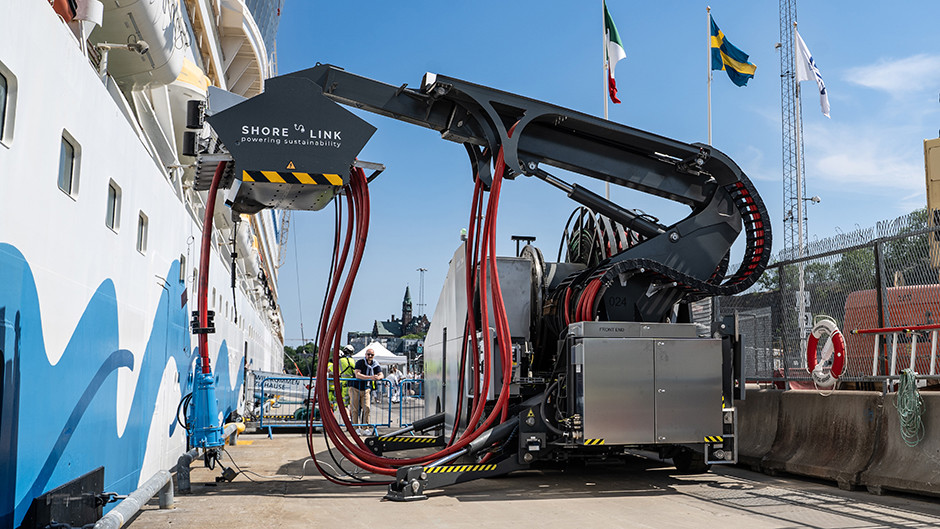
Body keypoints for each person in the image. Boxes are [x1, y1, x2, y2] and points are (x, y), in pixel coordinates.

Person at [349, 347, 383, 435]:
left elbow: (381, 373)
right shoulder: (360, 362)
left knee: (367, 408)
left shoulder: (375, 364)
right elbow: (357, 375)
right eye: (368, 354)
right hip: (355, 387)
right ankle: (355, 427)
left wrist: (378, 377)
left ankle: (365, 427)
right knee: (355, 408)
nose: (370, 356)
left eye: (372, 355)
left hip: (366, 388)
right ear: (365, 355)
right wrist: (371, 377)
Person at [326, 345, 356, 410]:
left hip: (341, 385)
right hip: (351, 384)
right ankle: (350, 418)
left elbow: (330, 371)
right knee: (350, 404)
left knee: (342, 405)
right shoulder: (353, 361)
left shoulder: (340, 361)